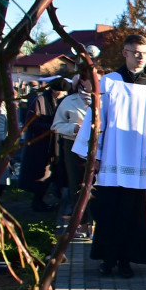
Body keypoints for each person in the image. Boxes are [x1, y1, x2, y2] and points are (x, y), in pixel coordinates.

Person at [72, 34, 146, 278]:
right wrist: (95, 155)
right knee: (110, 213)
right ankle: (108, 259)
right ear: (125, 53)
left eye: (145, 53)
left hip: (143, 162)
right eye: (136, 52)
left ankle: (127, 261)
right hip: (113, 159)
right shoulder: (109, 82)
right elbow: (97, 119)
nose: (141, 57)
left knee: (137, 216)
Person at [51, 75, 95, 236]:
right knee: (77, 184)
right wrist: (74, 128)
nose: (97, 82)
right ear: (83, 81)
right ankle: (82, 223)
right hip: (74, 146)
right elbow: (56, 126)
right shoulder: (70, 101)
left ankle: (95, 223)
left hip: (100, 147)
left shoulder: (107, 100)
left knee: (98, 185)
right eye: (93, 78)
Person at [19, 77, 68, 211]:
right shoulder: (39, 100)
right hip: (40, 145)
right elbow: (31, 123)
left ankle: (40, 200)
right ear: (55, 91)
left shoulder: (56, 101)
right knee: (41, 174)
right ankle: (37, 202)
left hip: (51, 144)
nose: (63, 94)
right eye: (62, 92)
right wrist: (52, 127)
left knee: (48, 173)